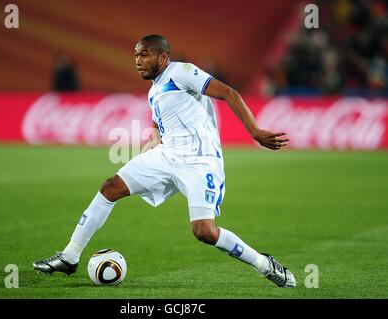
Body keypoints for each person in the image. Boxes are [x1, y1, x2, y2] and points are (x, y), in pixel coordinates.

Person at [33, 35, 296, 288]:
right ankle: (70, 256)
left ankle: (263, 263)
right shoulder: (155, 90)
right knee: (110, 187)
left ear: (163, 56)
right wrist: (147, 151)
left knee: (204, 232)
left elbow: (229, 93)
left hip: (199, 161)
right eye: (136, 55)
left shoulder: (181, 72)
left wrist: (255, 132)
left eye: (145, 54)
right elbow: (159, 128)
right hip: (167, 155)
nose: (138, 60)